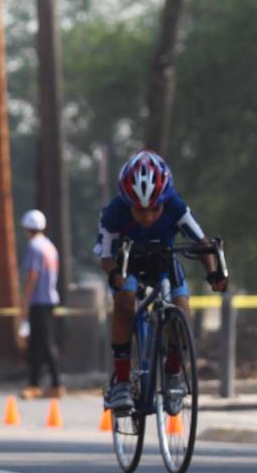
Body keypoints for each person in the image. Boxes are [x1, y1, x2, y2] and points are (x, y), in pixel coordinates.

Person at [96, 149, 226, 413]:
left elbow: (202, 244)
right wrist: (115, 276)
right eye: (139, 211)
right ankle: (122, 382)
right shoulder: (113, 213)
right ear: (127, 203)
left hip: (165, 260)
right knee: (124, 302)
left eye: (155, 209)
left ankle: (174, 372)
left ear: (165, 200)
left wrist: (213, 274)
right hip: (128, 261)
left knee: (182, 310)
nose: (147, 217)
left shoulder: (177, 206)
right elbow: (106, 257)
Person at [18, 209, 64, 399]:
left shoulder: (34, 247)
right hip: (50, 299)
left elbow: (32, 276)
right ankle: (43, 384)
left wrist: (24, 301)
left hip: (38, 301)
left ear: (27, 228)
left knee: (41, 343)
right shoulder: (49, 246)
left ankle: (48, 384)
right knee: (41, 343)